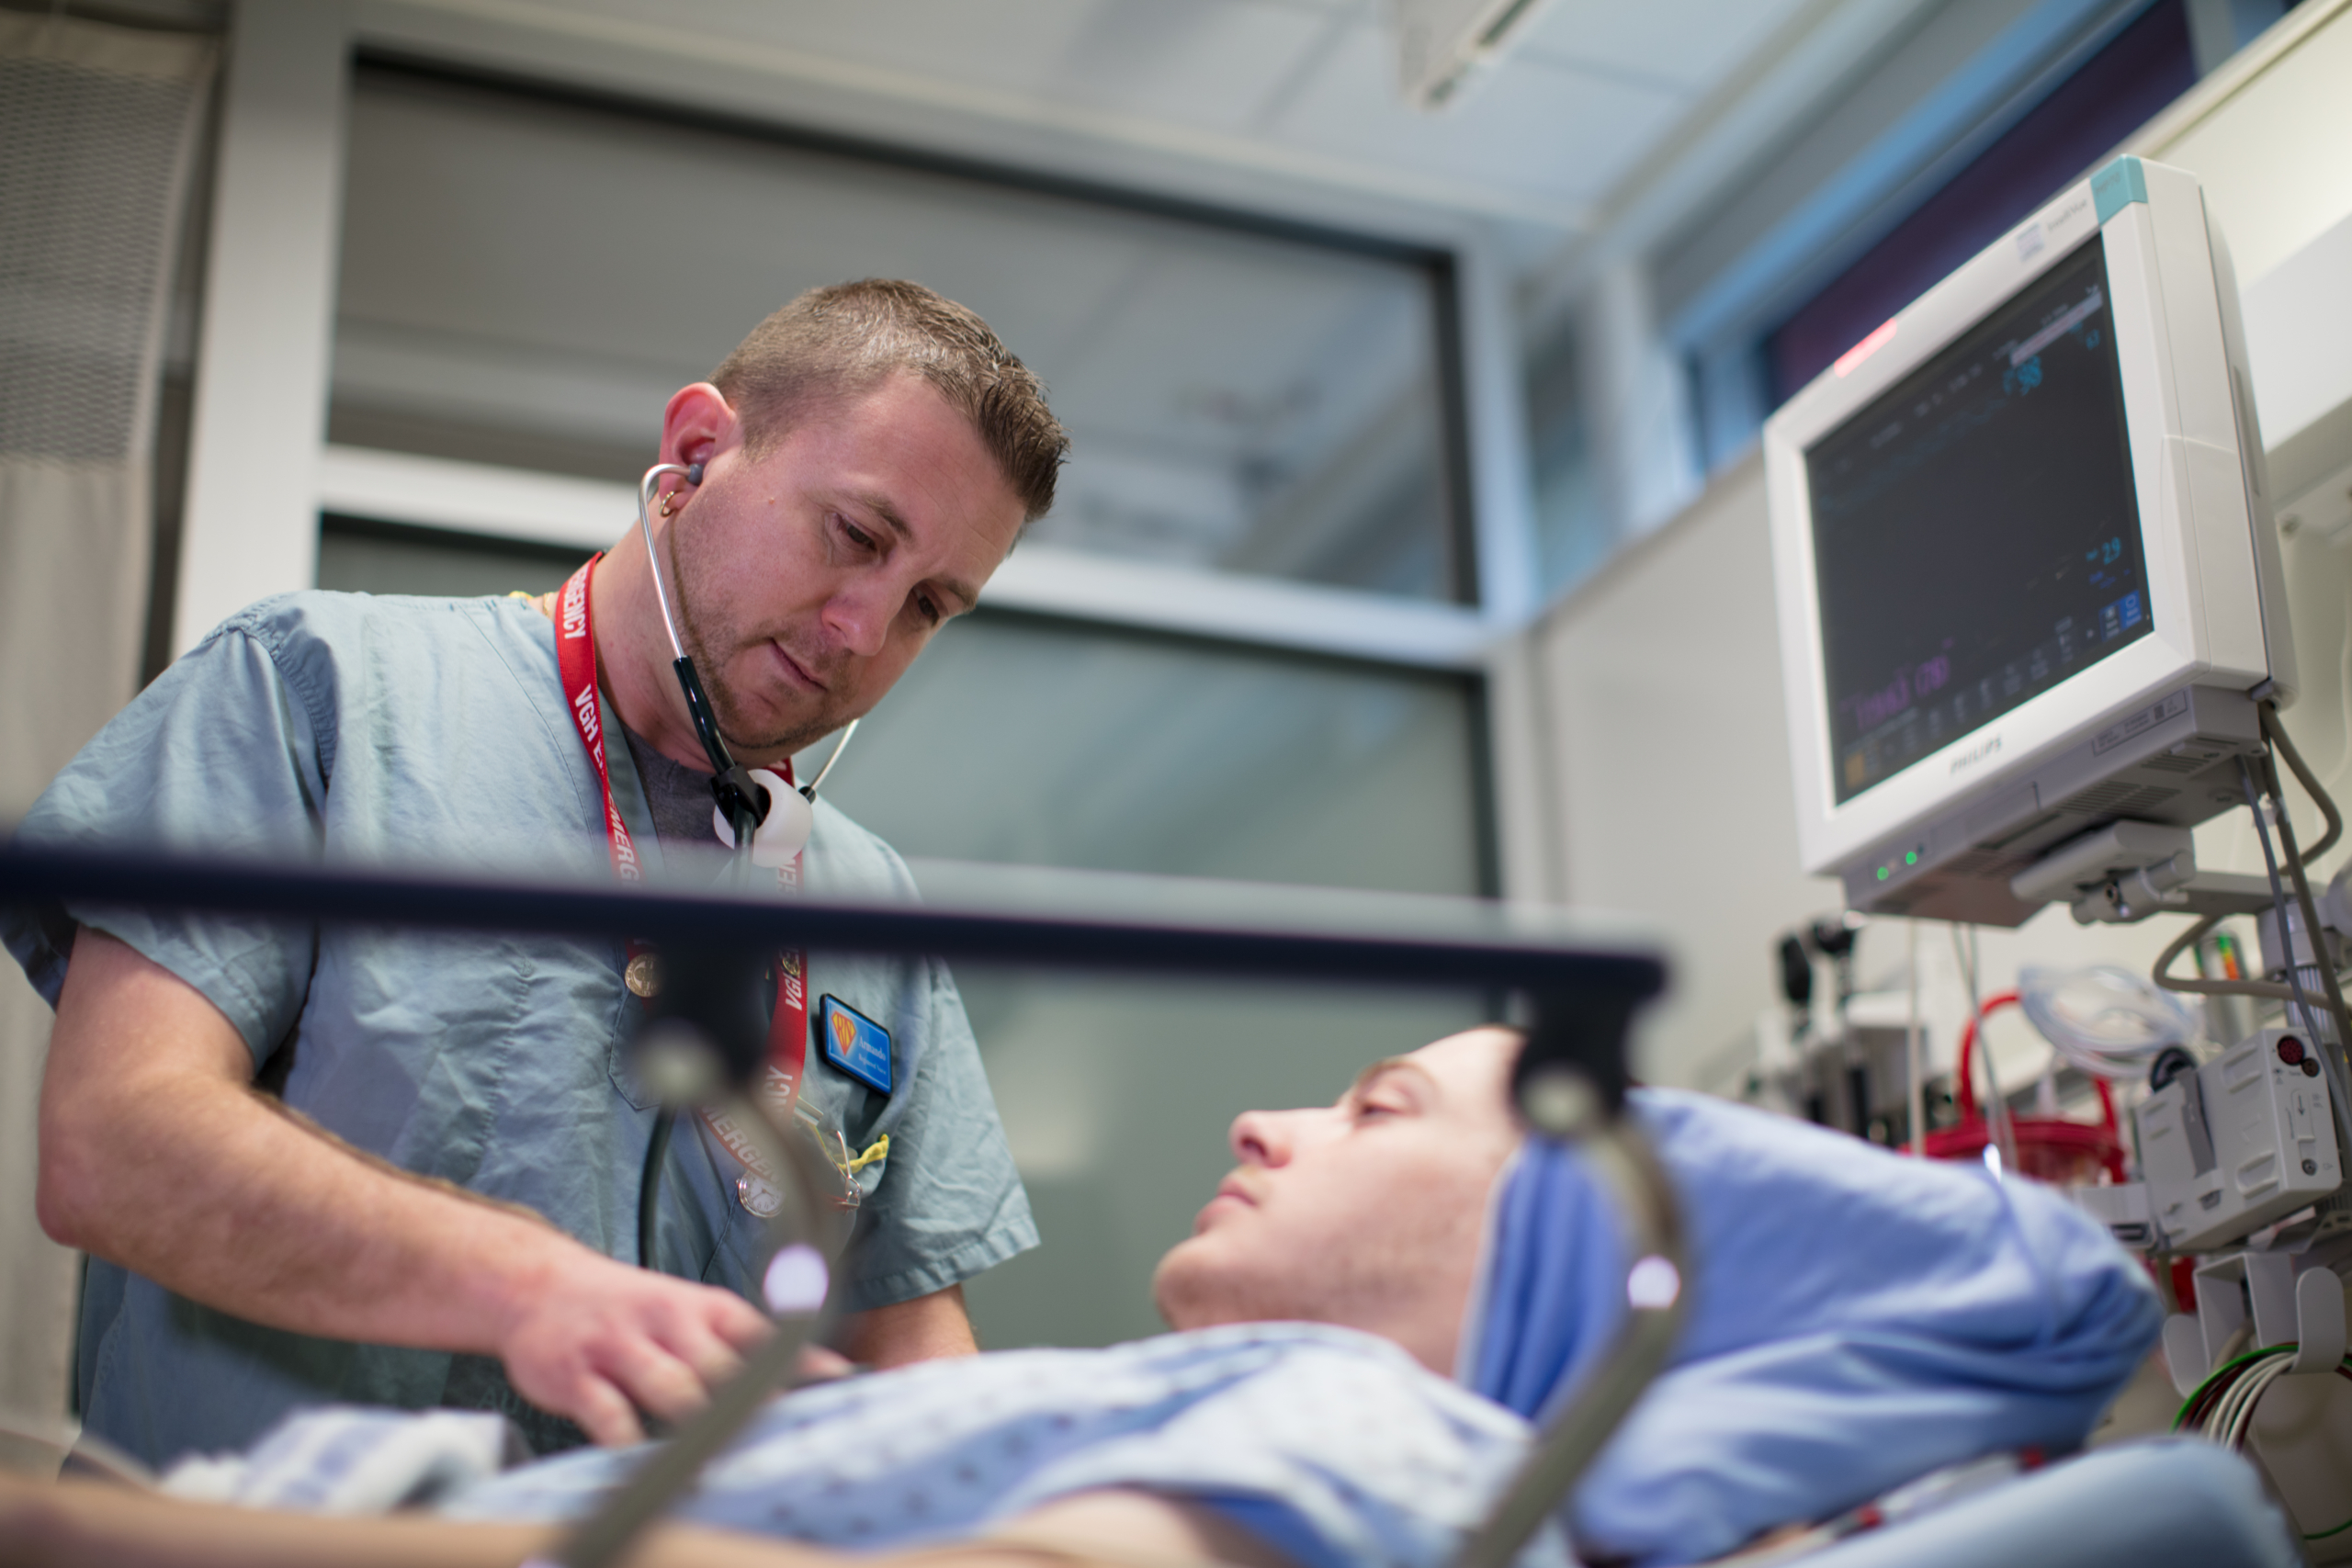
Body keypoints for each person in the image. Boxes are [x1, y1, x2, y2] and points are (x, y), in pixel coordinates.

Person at [5, 280, 1069, 1469]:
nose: (865, 633)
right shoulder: (323, 696)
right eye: (856, 537)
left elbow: (903, 1346)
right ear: (698, 449)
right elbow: (116, 1141)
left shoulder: (868, 910)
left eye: (929, 603)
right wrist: (523, 1288)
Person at [0, 1026, 2197, 1568]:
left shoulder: (1382, 1438)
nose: (1264, 1119)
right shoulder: (1281, 1406)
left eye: (1365, 1101)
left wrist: (95, 1534)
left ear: (1557, 1249)